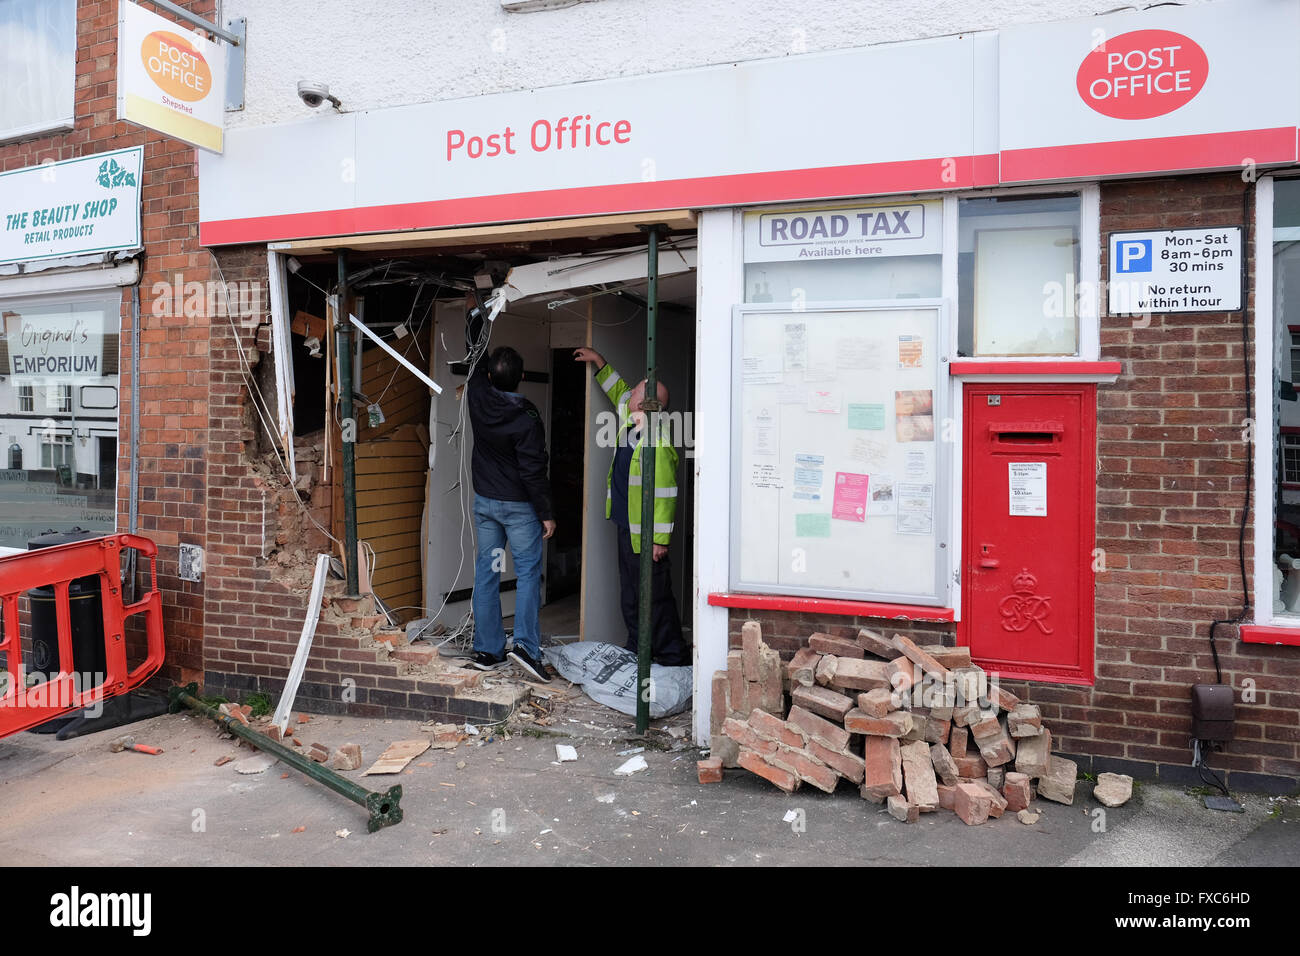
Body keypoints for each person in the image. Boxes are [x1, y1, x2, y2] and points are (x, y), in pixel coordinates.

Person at [574, 347, 691, 666]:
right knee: (632, 594)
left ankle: (671, 654)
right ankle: (638, 647)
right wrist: (599, 361)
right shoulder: (634, 419)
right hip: (627, 527)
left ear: (646, 403)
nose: (631, 392)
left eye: (637, 389)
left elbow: (667, 494)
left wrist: (660, 540)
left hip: (646, 536)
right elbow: (618, 390)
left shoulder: (658, 440)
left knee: (654, 597)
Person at [465, 337, 554, 682]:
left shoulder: (478, 396)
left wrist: (478, 313)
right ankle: (526, 649)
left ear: (488, 376)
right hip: (519, 508)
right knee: (528, 573)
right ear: (520, 379)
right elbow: (533, 468)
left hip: (487, 505)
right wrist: (546, 511)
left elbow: (476, 354)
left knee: (488, 572)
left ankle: (488, 650)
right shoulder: (527, 415)